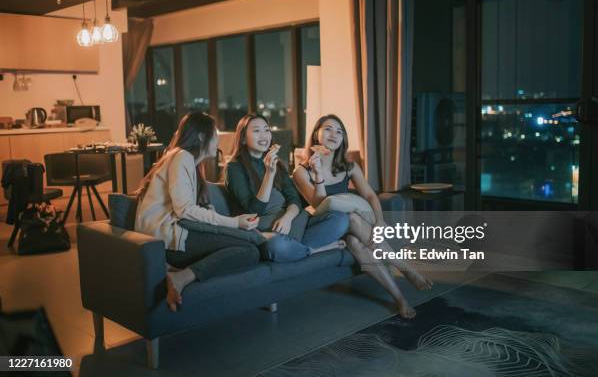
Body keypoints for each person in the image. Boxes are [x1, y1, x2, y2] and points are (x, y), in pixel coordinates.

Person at [293, 114, 434, 318]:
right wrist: (318, 175)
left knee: (355, 241)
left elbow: (369, 195)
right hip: (325, 226)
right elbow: (319, 204)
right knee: (351, 219)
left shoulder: (349, 167)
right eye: (329, 129)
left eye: (339, 131)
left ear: (343, 139)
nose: (334, 134)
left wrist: (378, 221)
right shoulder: (302, 171)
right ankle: (405, 268)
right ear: (316, 134)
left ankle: (399, 299)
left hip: (350, 229)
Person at [135, 112, 261, 312]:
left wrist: (219, 216)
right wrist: (235, 223)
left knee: (250, 246)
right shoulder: (181, 157)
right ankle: (181, 277)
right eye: (215, 134)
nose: (218, 139)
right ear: (202, 136)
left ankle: (180, 274)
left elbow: (192, 207)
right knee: (249, 251)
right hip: (167, 241)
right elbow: (184, 210)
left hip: (176, 235)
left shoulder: (189, 162)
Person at [225, 114, 348, 263]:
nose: (264, 135)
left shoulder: (278, 164)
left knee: (340, 219)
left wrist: (287, 218)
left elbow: (294, 199)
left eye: (266, 130)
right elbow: (254, 210)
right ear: (243, 138)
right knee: (276, 247)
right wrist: (269, 175)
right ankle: (314, 249)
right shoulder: (234, 168)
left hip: (292, 222)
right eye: (256, 131)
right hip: (266, 231)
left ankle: (297, 248)